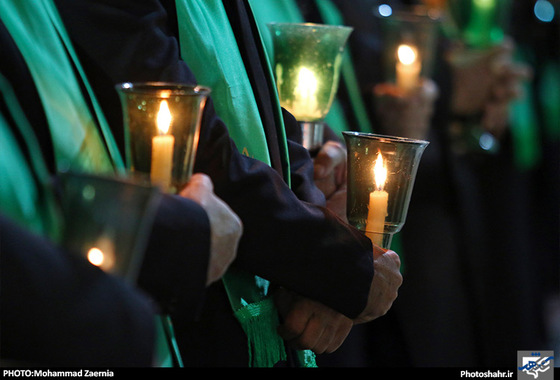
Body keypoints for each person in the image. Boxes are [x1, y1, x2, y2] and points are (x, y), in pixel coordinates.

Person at [3, 0, 403, 367]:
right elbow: (190, 137)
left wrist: (317, 224)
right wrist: (334, 263)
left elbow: (263, 108)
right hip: (188, 294)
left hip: (240, 262)